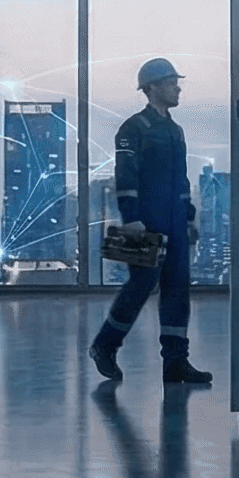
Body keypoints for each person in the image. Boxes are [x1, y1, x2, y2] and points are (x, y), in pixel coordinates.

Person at [89, 57, 213, 385]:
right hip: (146, 222)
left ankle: (175, 362)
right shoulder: (133, 129)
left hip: (173, 221)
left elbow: (182, 180)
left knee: (177, 289)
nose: (178, 88)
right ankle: (104, 345)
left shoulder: (174, 130)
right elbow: (125, 176)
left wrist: (188, 217)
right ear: (153, 87)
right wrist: (132, 219)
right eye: (172, 82)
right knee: (141, 285)